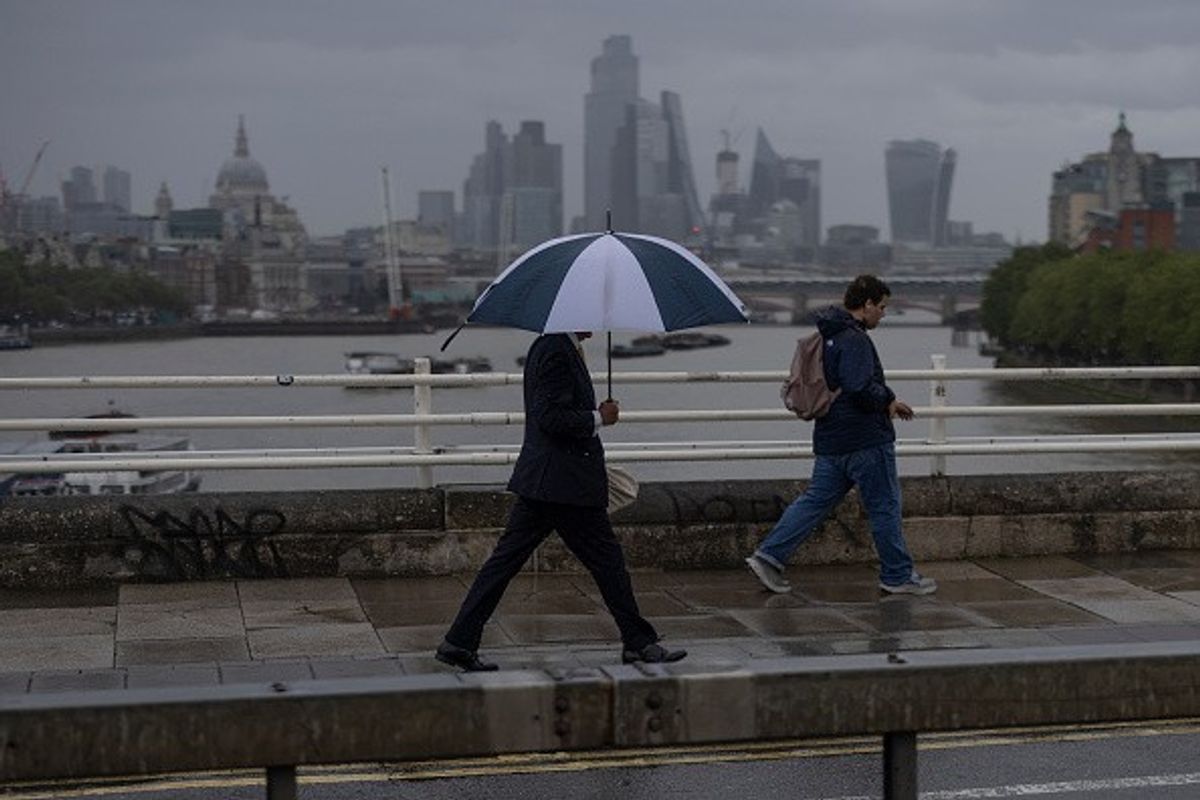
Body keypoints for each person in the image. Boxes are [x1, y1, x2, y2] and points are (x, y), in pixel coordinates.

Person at [436, 331, 687, 671]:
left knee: (505, 563)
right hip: (564, 484)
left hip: (547, 481)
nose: (597, 322)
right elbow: (550, 416)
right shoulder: (556, 349)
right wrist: (600, 418)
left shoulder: (556, 345)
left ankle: (459, 641)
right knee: (607, 562)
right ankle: (639, 643)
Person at [745, 275, 938, 596]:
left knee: (814, 502)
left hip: (831, 437)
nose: (884, 314)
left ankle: (769, 557)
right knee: (885, 506)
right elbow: (858, 386)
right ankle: (897, 575)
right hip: (865, 439)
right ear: (867, 305)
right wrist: (886, 399)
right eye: (882, 307)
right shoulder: (855, 339)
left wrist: (885, 399)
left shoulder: (827, 334)